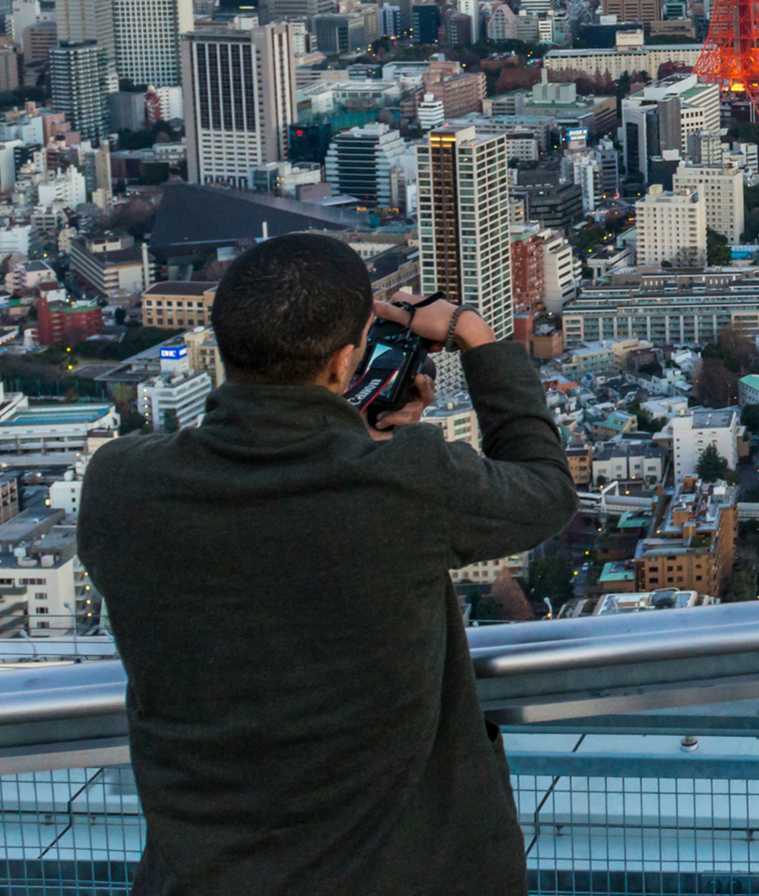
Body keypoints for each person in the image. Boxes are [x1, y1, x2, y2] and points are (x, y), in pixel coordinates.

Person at [81, 233, 579, 895]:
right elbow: (546, 490)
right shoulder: (404, 484)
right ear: (346, 362)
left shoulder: (120, 486)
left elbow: (263, 534)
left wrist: (359, 444)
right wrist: (477, 338)